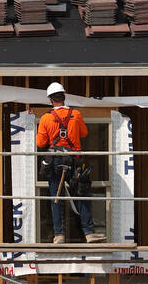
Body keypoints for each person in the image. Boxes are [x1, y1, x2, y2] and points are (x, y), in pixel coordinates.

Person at [36, 81, 106, 243]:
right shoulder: (76, 114)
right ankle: (89, 233)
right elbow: (84, 133)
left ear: (50, 99)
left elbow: (40, 143)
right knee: (81, 195)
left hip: (54, 162)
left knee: (56, 198)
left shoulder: (46, 118)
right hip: (73, 160)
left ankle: (59, 234)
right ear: (64, 97)